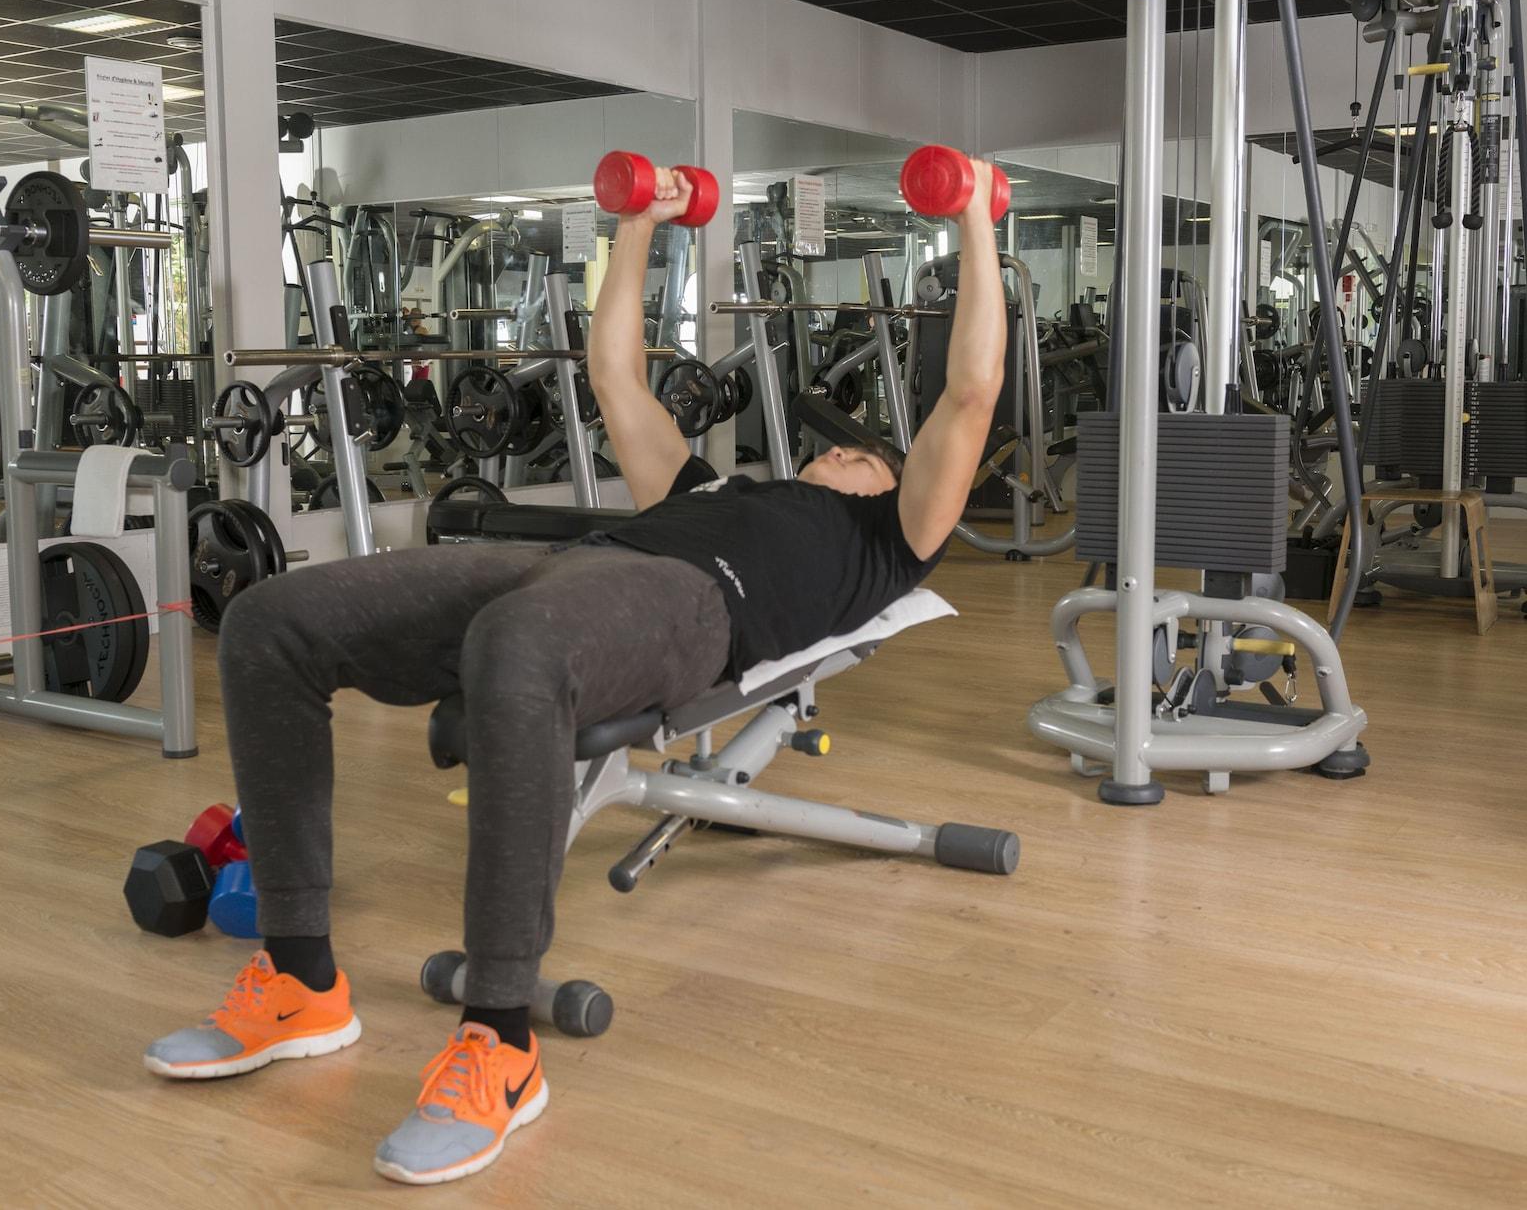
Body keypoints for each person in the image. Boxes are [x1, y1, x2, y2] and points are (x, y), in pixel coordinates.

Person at [141, 159, 1008, 1186]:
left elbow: (970, 387)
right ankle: (298, 979)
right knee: (267, 619)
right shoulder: (710, 482)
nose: (843, 459)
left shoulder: (888, 536)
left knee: (517, 646)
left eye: (864, 458)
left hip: (696, 608)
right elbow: (614, 377)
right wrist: (637, 220)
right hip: (579, 565)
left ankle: (500, 1040)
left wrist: (972, 217)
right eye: (835, 456)